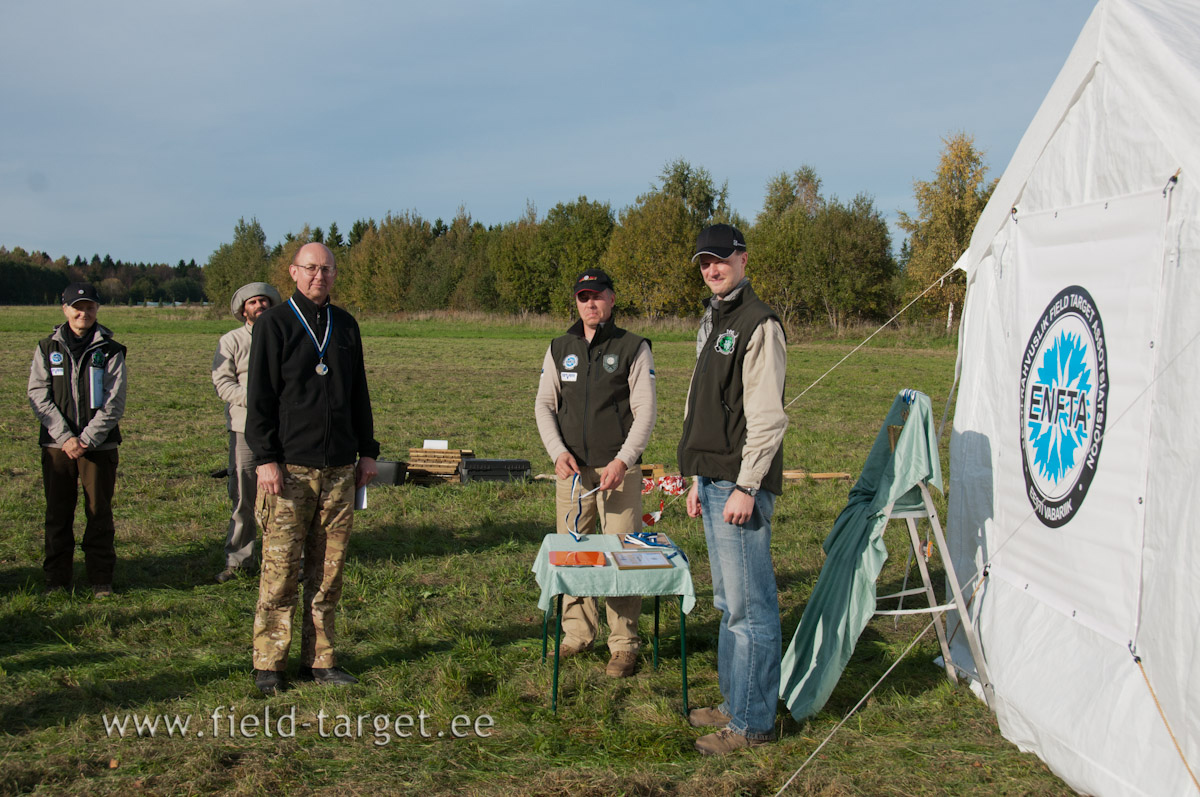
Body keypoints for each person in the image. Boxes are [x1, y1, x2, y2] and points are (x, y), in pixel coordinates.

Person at [245, 242, 379, 695]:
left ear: (335, 274)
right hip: (289, 470)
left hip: (340, 468)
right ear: (293, 272)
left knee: (328, 571)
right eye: (310, 268)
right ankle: (270, 663)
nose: (319, 276)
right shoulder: (274, 324)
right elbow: (260, 398)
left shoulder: (346, 325)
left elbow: (358, 392)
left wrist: (367, 451)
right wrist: (266, 458)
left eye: (327, 269)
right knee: (281, 568)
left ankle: (320, 660)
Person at [678, 224, 789, 755]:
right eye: (704, 262)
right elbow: (701, 403)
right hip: (713, 478)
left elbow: (767, 417)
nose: (712, 269)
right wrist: (697, 477)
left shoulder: (758, 323)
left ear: (743, 259)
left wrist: (747, 485)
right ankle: (734, 701)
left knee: (752, 608)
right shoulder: (713, 319)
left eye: (720, 259)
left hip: (739, 482)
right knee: (728, 602)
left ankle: (753, 725)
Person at [534, 268, 657, 678]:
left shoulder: (633, 347)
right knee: (575, 554)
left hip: (618, 470)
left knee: (622, 555)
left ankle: (623, 644)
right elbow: (544, 405)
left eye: (598, 295)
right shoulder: (559, 347)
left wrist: (624, 461)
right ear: (576, 301)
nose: (590, 303)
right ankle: (577, 633)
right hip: (571, 472)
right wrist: (557, 453)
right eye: (583, 297)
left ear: (612, 298)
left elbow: (645, 411)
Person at [27, 282, 128, 597]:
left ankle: (100, 579)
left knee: (99, 513)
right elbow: (38, 395)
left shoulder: (111, 350)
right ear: (65, 309)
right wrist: (66, 437)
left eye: (89, 307)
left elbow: (114, 402)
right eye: (77, 307)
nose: (83, 313)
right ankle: (57, 580)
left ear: (97, 309)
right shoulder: (47, 348)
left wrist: (86, 439)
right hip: (57, 445)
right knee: (58, 513)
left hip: (99, 445)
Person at [212, 281, 283, 584]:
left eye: (264, 301)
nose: (259, 306)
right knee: (243, 496)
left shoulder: (285, 336)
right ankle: (238, 561)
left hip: (283, 429)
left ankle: (286, 559)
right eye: (252, 302)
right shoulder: (231, 341)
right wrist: (256, 400)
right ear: (243, 310)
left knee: (285, 496)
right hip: (244, 428)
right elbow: (223, 383)